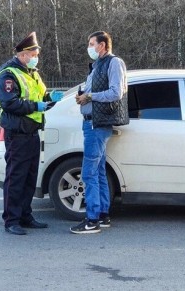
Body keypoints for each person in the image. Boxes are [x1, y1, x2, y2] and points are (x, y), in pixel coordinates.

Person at [0, 32, 54, 235]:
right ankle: (11, 220)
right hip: (17, 132)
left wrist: (50, 96)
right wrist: (37, 105)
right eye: (34, 53)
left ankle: (26, 216)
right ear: (23, 54)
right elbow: (10, 103)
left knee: (29, 178)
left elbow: (40, 93)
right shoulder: (8, 74)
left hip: (32, 132)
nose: (37, 56)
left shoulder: (31, 72)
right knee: (16, 178)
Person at [71, 31, 127, 234]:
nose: (89, 47)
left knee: (89, 172)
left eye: (91, 43)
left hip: (98, 124)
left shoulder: (114, 63)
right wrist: (82, 96)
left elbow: (116, 92)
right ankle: (102, 215)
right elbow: (90, 92)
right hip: (92, 122)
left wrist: (90, 96)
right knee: (99, 171)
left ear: (102, 45)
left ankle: (92, 219)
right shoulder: (98, 66)